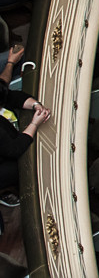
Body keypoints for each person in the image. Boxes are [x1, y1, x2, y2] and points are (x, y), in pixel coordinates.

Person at [0, 44, 50, 198]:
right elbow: (14, 149)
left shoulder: (1, 95)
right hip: (4, 161)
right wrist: (34, 124)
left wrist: (35, 105)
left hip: (10, 138)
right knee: (25, 168)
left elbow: (11, 96)